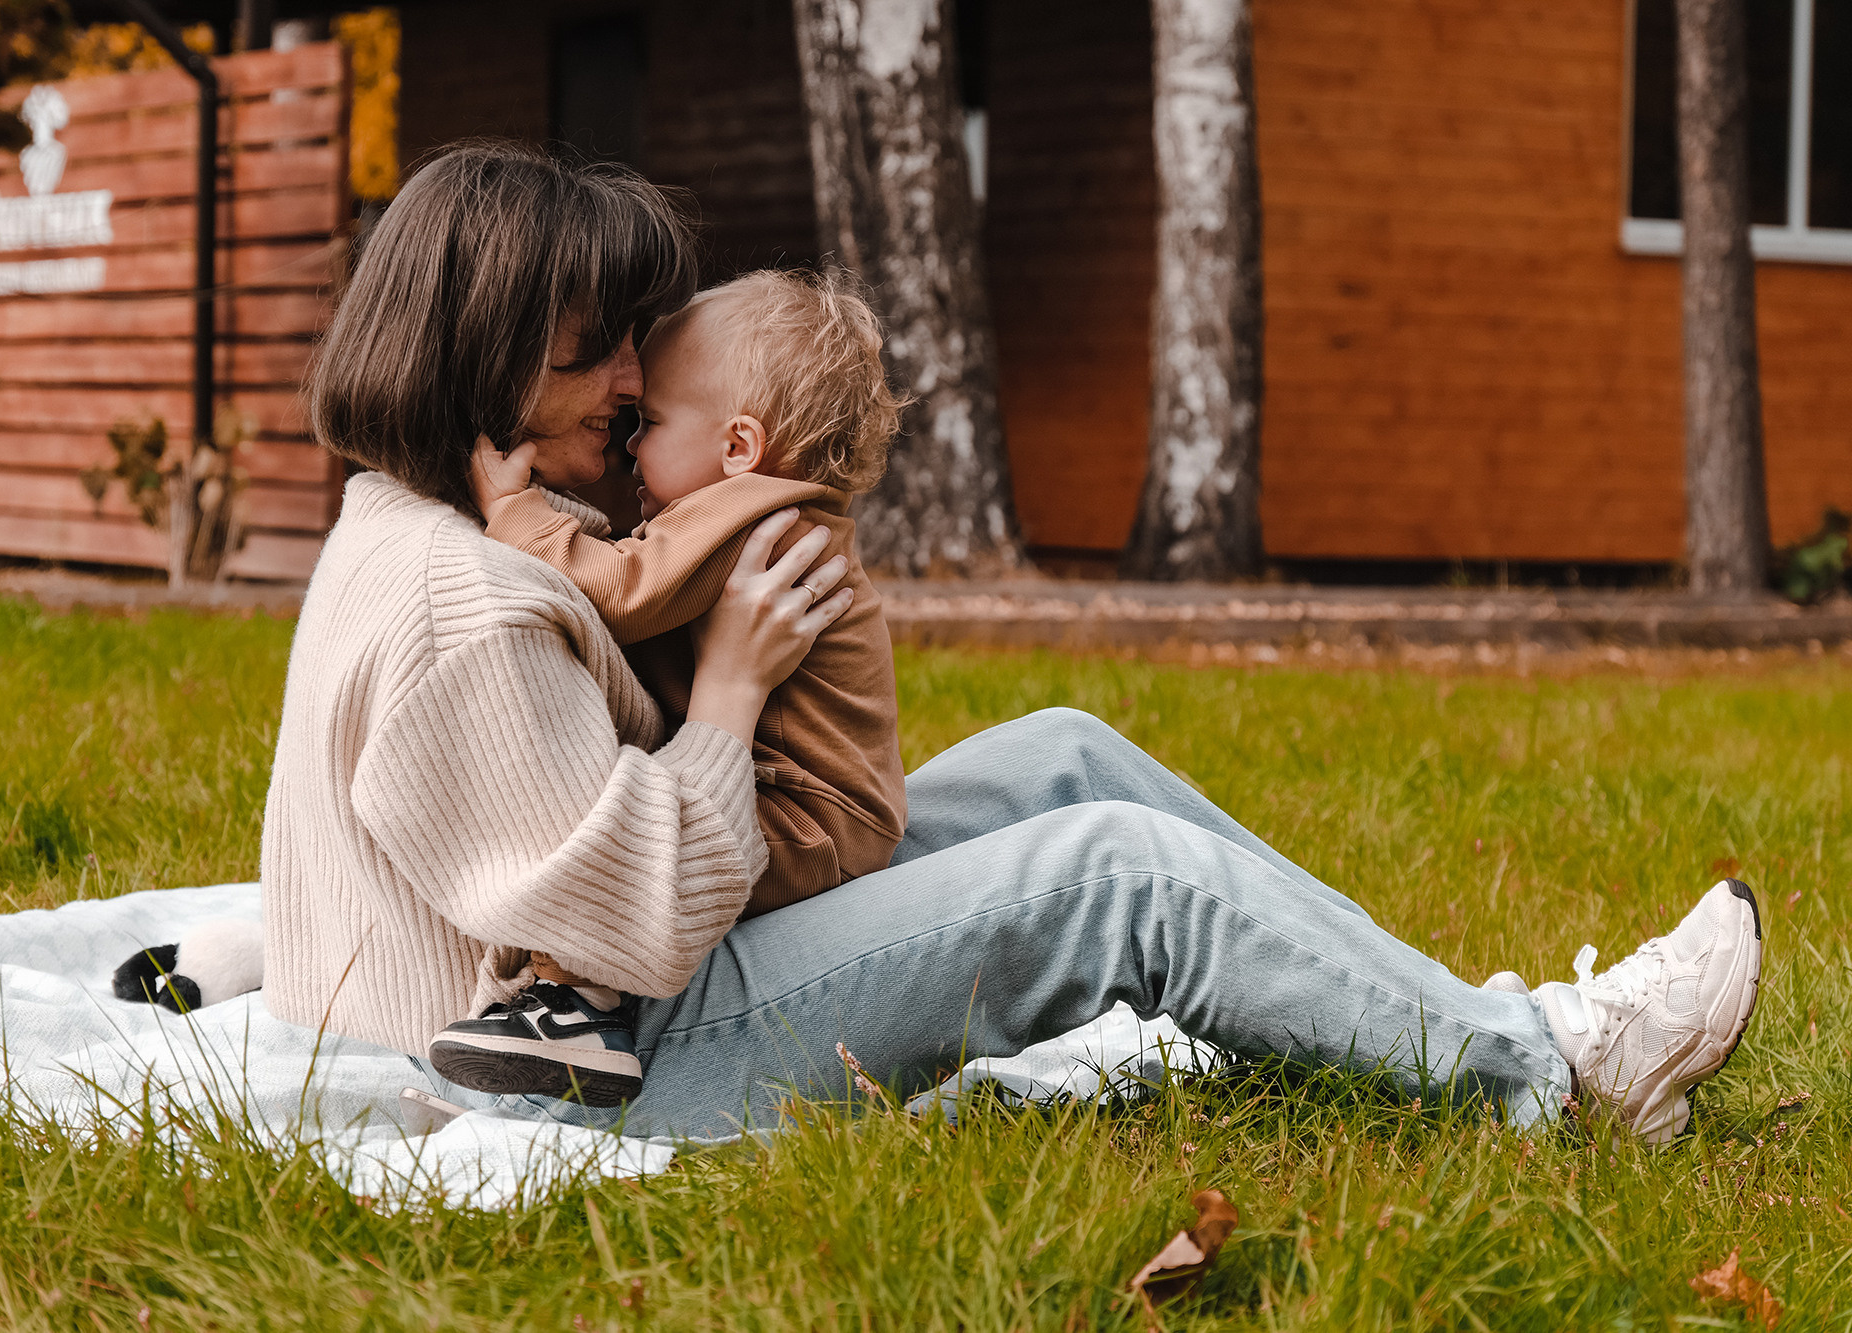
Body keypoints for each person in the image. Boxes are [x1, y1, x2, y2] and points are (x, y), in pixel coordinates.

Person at [261, 141, 1761, 1151]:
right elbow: (639, 921)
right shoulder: (466, 602)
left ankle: (1449, 1011)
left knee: (1061, 755)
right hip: (599, 1071)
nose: (630, 381)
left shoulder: (418, 521)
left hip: (628, 1000)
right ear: (482, 349)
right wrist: (728, 698)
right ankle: (1552, 1074)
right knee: (1114, 876)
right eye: (595, 351)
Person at [432, 269, 911, 1103]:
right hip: (833, 811)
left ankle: (580, 1012)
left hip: (809, 819)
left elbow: (622, 589)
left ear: (737, 447)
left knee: (636, 845)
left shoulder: (753, 515)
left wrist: (514, 514)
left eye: (648, 423)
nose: (628, 445)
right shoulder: (772, 507)